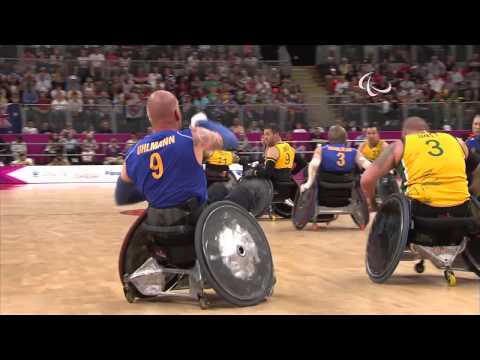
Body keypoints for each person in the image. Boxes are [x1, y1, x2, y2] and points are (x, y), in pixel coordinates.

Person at [361, 117, 478, 215]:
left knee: (386, 183)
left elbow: (367, 179)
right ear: (428, 130)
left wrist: (372, 202)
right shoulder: (456, 141)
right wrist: (473, 190)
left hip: (421, 210)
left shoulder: (401, 144)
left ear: (404, 134)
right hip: (461, 208)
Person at [300, 125, 371, 194]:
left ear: (329, 138)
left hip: (325, 182)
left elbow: (314, 164)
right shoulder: (354, 151)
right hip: (349, 182)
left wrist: (309, 183)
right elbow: (367, 165)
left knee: (307, 169)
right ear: (345, 138)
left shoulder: (321, 150)